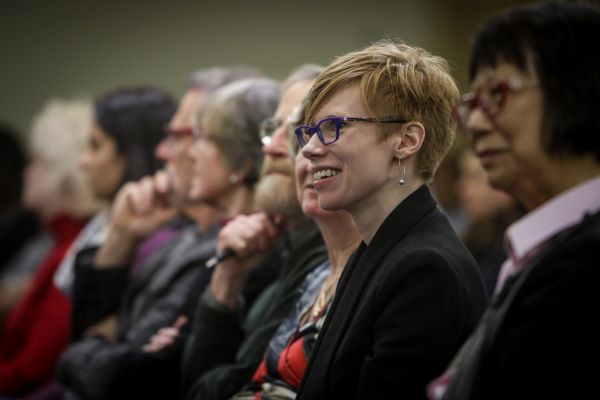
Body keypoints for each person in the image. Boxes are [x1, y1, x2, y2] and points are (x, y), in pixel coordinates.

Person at [57, 76, 280, 400]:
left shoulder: (249, 248)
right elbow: (97, 341)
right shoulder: (185, 234)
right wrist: (121, 237)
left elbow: (136, 379)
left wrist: (86, 352)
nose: (165, 151)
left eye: (187, 136)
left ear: (241, 157)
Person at [294, 41, 488, 399]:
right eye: (309, 131)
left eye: (333, 126)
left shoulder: (426, 269)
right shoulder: (377, 248)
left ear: (407, 140)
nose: (308, 149)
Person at [428, 2, 600, 399]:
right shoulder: (546, 245)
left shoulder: (586, 264)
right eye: (472, 103)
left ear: (576, 88)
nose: (475, 124)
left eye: (498, 93)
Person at [149, 64, 327, 400]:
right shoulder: (280, 246)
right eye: (273, 128)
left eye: (296, 129)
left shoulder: (318, 259)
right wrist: (226, 281)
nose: (271, 147)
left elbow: (213, 389)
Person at [230, 100, 362, 399]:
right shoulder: (316, 275)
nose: (308, 153)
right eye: (302, 136)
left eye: (330, 132)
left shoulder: (390, 269)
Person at [0, 99, 99, 397]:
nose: (27, 173)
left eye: (39, 161)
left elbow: (31, 369)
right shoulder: (57, 241)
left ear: (66, 173)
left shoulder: (78, 248)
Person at [54, 86, 176, 298]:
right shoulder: (103, 220)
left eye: (95, 146)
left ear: (132, 152)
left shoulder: (159, 241)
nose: (83, 162)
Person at [457, 149, 520, 296]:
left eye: (475, 177)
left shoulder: (516, 252)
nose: (462, 187)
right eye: (462, 176)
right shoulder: (466, 244)